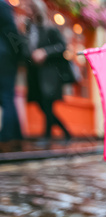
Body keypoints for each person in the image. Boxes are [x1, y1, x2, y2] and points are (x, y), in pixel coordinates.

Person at [23, 0, 72, 140]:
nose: (26, 10)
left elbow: (63, 46)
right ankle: (65, 131)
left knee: (47, 103)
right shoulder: (28, 28)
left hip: (49, 74)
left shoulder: (50, 28)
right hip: (35, 73)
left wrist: (45, 52)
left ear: (36, 10)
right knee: (40, 103)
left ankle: (47, 136)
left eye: (29, 8)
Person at [0, 0, 24, 143]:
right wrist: (20, 55)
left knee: (5, 95)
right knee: (7, 95)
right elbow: (11, 31)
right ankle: (9, 134)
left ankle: (16, 133)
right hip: (5, 56)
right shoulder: (3, 5)